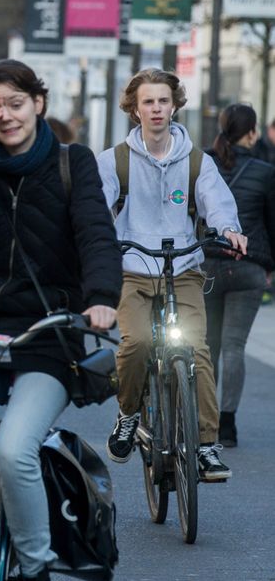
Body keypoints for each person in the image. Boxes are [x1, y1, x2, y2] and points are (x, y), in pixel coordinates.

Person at [0, 59, 121, 581]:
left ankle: (35, 566)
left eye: (15, 103)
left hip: (46, 331)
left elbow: (96, 234)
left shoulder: (72, 162)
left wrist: (100, 298)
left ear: (38, 104)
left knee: (13, 450)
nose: (5, 115)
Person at [97, 68, 246, 481]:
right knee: (139, 342)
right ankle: (128, 414)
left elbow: (217, 203)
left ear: (175, 105)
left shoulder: (198, 161)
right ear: (135, 109)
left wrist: (229, 230)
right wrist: (100, 244)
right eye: (148, 101)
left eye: (163, 100)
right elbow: (95, 211)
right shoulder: (114, 161)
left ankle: (207, 446)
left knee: (196, 350)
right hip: (132, 268)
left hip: (182, 267)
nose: (157, 108)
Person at [203, 104, 275, 447]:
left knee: (207, 347)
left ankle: (204, 418)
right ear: (252, 132)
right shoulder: (265, 171)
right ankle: (227, 424)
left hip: (205, 264)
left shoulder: (203, 163)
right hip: (248, 266)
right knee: (234, 347)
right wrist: (269, 267)